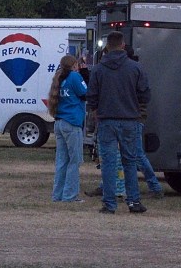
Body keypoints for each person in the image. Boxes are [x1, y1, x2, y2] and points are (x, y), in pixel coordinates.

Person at [87, 31, 151, 214]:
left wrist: (96, 110)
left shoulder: (98, 69)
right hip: (130, 119)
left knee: (108, 163)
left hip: (106, 120)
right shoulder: (135, 68)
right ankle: (134, 201)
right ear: (123, 45)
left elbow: (91, 96)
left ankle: (109, 203)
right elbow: (145, 94)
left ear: (107, 46)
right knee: (129, 161)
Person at [49, 55, 88, 202]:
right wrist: (85, 74)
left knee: (62, 160)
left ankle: (58, 194)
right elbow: (85, 93)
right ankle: (70, 195)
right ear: (74, 65)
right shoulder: (75, 77)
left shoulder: (59, 77)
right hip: (72, 122)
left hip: (59, 121)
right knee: (74, 160)